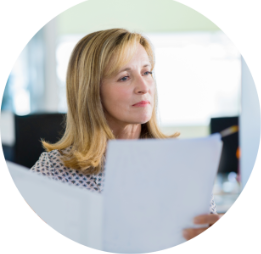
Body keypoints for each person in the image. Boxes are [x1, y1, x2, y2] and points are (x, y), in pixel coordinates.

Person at [30, 28, 222, 242]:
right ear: (92, 91)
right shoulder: (55, 170)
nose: (143, 87)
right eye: (124, 77)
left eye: (147, 72)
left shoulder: (183, 162)